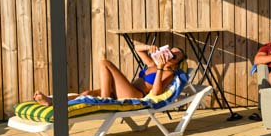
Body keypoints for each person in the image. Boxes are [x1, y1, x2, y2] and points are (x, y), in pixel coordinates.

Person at [33, 44, 188, 105]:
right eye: (170, 51)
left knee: (105, 63)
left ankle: (104, 100)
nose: (171, 55)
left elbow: (156, 93)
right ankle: (52, 102)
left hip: (135, 94)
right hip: (124, 90)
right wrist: (150, 48)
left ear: (177, 62)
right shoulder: (152, 64)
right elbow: (137, 48)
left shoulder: (168, 73)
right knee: (87, 93)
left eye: (175, 56)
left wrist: (161, 67)